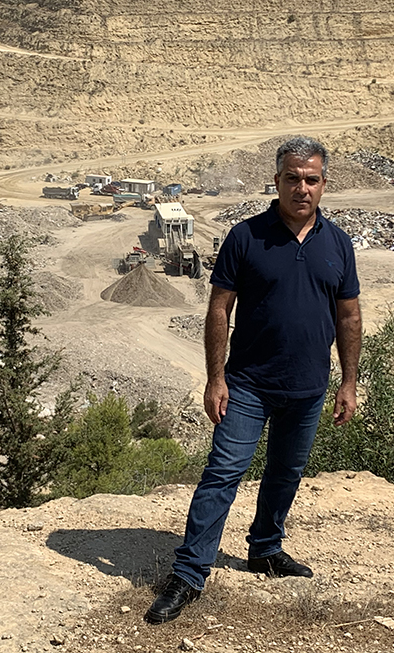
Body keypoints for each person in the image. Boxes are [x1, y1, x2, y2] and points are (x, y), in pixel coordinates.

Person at [145, 136, 362, 625]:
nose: (301, 188)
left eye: (311, 180)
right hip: (246, 386)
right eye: (292, 179)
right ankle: (189, 574)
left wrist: (348, 382)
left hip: (308, 389)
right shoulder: (246, 237)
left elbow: (348, 318)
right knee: (222, 475)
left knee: (285, 474)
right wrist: (214, 378)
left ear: (324, 184)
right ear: (278, 181)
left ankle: (265, 549)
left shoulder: (338, 244)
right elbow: (219, 309)